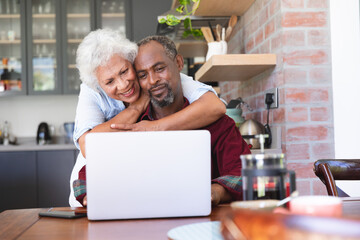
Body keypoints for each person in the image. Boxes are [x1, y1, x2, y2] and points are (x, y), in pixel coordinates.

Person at [74, 35, 251, 206]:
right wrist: (91, 194)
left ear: (179, 63)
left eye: (159, 69)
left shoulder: (215, 123)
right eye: (143, 75)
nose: (153, 81)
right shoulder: (133, 126)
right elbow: (87, 172)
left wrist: (216, 191)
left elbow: (246, 174)